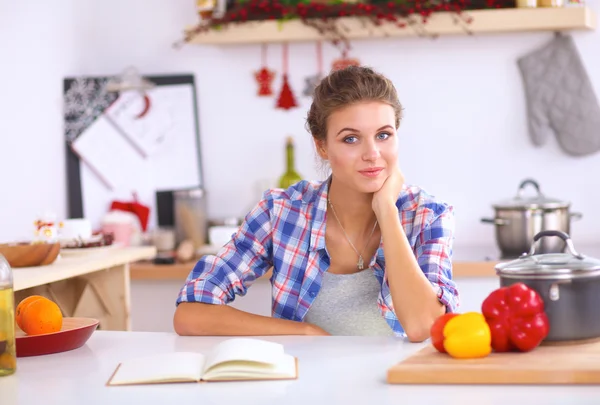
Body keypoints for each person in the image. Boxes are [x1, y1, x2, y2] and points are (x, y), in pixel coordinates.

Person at [173, 65, 459, 342]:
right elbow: (190, 314)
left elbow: (425, 326)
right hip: (304, 386)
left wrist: (386, 210)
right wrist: (303, 332)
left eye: (383, 135)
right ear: (322, 146)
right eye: (351, 139)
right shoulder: (282, 212)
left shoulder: (428, 216)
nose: (372, 154)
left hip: (398, 386)